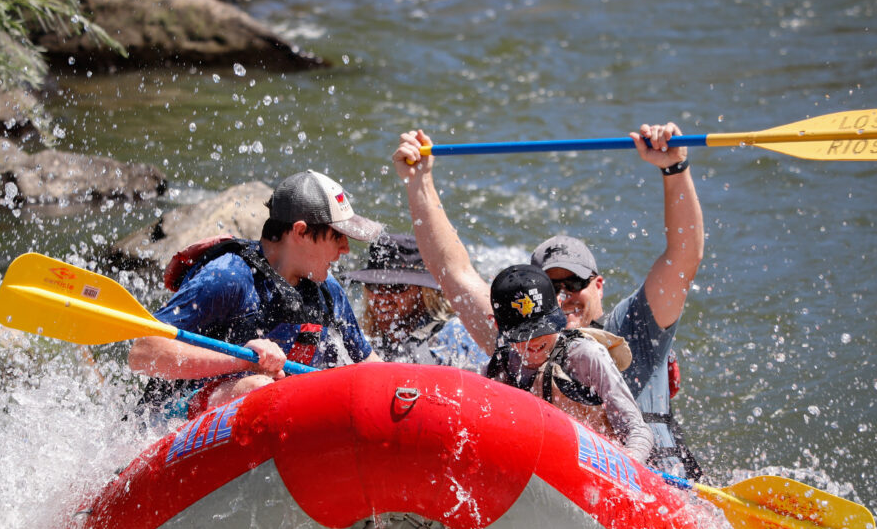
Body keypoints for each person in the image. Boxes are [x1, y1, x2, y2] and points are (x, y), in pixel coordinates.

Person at [391, 123, 706, 478]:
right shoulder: (520, 336)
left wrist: (674, 168)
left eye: (574, 283)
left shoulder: (634, 326)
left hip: (658, 482)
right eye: (551, 287)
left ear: (599, 285)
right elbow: (453, 272)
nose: (563, 297)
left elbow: (683, 257)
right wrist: (419, 181)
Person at [129, 170, 385, 419]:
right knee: (261, 388)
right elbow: (142, 352)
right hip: (173, 418)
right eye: (337, 236)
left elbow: (369, 366)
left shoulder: (328, 290)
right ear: (300, 232)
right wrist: (241, 360)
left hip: (271, 417)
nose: (346, 249)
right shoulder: (228, 276)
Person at [488, 264, 653, 462]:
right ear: (497, 325)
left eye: (542, 328)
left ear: (559, 305)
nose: (534, 341)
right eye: (521, 333)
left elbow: (638, 430)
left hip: (601, 465)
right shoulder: (500, 368)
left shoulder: (585, 356)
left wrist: (629, 463)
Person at [342, 232, 486, 370]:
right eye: (372, 285)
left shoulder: (455, 335)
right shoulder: (363, 340)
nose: (382, 296)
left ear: (426, 293)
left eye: (396, 287)